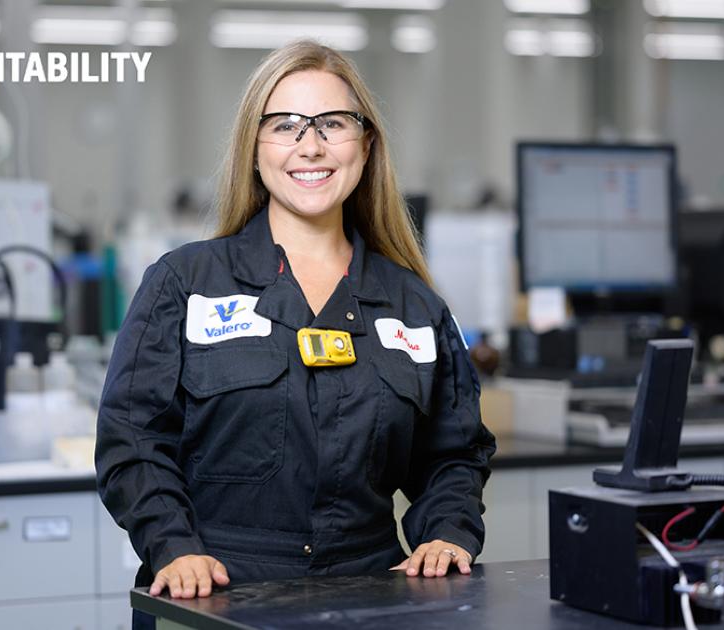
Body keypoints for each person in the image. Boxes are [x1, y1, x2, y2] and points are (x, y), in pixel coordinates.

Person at [95, 40, 496, 628]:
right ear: (253, 149)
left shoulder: (414, 304)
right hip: (215, 596)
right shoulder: (185, 283)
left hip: (373, 599)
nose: (311, 144)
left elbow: (454, 454)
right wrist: (173, 546)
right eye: (285, 125)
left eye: (333, 123)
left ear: (365, 144)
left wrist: (447, 533)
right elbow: (132, 439)